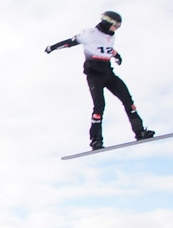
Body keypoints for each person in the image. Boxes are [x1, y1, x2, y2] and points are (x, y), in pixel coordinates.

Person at [45, 11, 155, 150]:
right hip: (94, 75)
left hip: (108, 73)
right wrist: (52, 48)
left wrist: (116, 55)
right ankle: (96, 141)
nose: (117, 29)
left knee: (128, 100)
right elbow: (70, 42)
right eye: (116, 26)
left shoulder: (111, 36)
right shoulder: (89, 33)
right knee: (99, 107)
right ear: (108, 23)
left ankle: (140, 132)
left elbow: (107, 48)